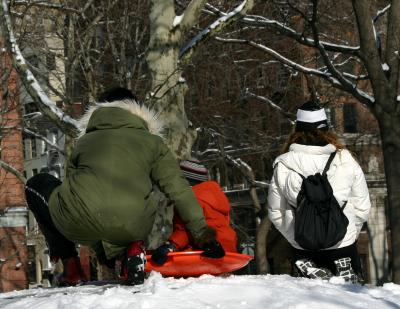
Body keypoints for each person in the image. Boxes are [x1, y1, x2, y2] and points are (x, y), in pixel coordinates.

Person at [25, 87, 225, 286]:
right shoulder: (153, 143)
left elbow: (76, 196)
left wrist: (103, 254)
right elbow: (179, 191)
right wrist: (203, 236)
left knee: (36, 185)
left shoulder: (84, 142)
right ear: (138, 111)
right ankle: (132, 250)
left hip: (79, 224)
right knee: (136, 204)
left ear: (98, 111)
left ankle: (71, 267)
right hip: (134, 226)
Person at [267, 101, 371, 283]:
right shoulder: (345, 159)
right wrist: (348, 234)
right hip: (343, 245)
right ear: (326, 128)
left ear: (297, 130)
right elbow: (362, 206)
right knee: (351, 301)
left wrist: (296, 239)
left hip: (303, 247)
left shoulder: (283, 164)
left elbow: (276, 212)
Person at [151, 158, 237, 266]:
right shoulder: (214, 196)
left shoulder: (190, 200)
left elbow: (186, 230)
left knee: (169, 262)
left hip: (208, 251)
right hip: (227, 249)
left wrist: (171, 245)